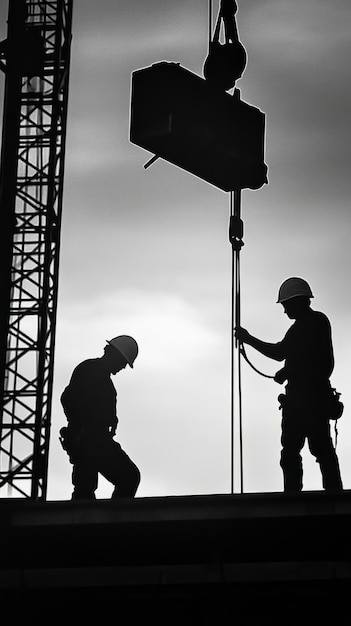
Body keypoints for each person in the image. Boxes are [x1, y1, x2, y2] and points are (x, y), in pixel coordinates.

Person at [235, 277, 343, 493]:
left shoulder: (308, 324)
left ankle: (295, 497)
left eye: (285, 305)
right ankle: (332, 493)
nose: (284, 311)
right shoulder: (315, 324)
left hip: (306, 402)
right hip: (312, 400)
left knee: (296, 452)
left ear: (296, 302)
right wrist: (288, 371)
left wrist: (248, 339)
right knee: (318, 450)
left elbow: (281, 353)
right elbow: (306, 356)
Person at [59, 335, 141, 500]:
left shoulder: (101, 378)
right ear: (113, 355)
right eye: (123, 362)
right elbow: (68, 399)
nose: (123, 367)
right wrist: (82, 428)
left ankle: (111, 520)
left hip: (96, 440)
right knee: (88, 488)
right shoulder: (89, 371)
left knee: (127, 478)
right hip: (87, 440)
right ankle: (97, 521)